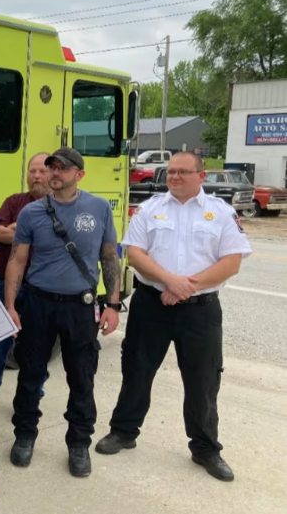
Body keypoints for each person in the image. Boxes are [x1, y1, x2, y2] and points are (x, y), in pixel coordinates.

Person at [95, 152, 251, 482]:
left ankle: (206, 448)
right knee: (136, 370)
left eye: (183, 171)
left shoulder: (221, 213)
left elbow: (231, 262)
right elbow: (134, 253)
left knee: (203, 380)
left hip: (200, 311)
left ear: (201, 175)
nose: (175, 177)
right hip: (151, 305)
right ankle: (123, 432)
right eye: (171, 172)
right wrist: (170, 281)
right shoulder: (151, 209)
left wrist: (184, 286)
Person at [4, 147, 121, 478]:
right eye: (51, 167)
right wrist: (11, 306)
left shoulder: (97, 208)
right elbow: (17, 260)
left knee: (82, 378)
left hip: (80, 307)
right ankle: (24, 436)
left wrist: (112, 306)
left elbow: (109, 257)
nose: (54, 173)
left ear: (79, 175)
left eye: (63, 169)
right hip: (38, 304)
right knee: (29, 376)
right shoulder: (31, 213)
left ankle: (79, 443)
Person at [0, 152, 51, 416]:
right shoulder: (14, 201)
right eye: (32, 171)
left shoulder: (60, 206)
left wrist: (17, 231)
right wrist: (29, 233)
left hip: (41, 290)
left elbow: (50, 242)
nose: (36, 176)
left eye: (42, 171)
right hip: (6, 285)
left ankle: (32, 395)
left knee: (36, 347)